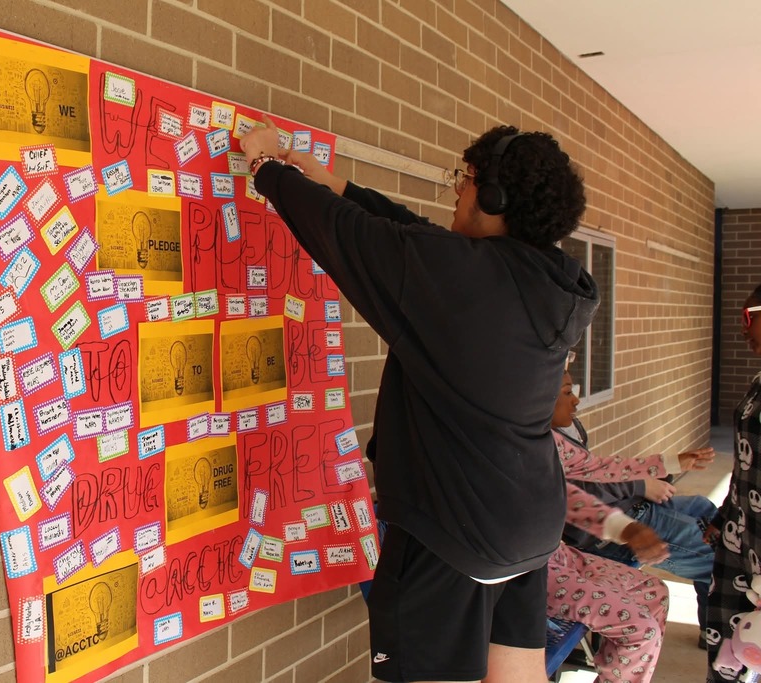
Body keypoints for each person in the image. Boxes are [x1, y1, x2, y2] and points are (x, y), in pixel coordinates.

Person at [241, 118, 599, 683]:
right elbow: (417, 239)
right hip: (527, 525)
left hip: (452, 527)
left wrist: (266, 168)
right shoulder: (540, 280)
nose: (457, 190)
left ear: (494, 196)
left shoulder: (460, 277)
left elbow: (351, 237)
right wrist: (337, 185)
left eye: (466, 178)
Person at [549, 369, 716, 683]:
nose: (577, 400)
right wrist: (626, 525)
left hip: (559, 557)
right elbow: (576, 492)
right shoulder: (501, 447)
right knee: (641, 631)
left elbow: (591, 471)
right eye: (567, 392)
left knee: (655, 592)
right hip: (530, 575)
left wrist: (668, 464)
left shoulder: (549, 439)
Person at [705, 283, 761, 681]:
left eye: (749, 317)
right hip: (739, 540)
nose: (743, 330)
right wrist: (725, 514)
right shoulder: (759, 381)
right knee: (727, 651)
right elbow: (747, 463)